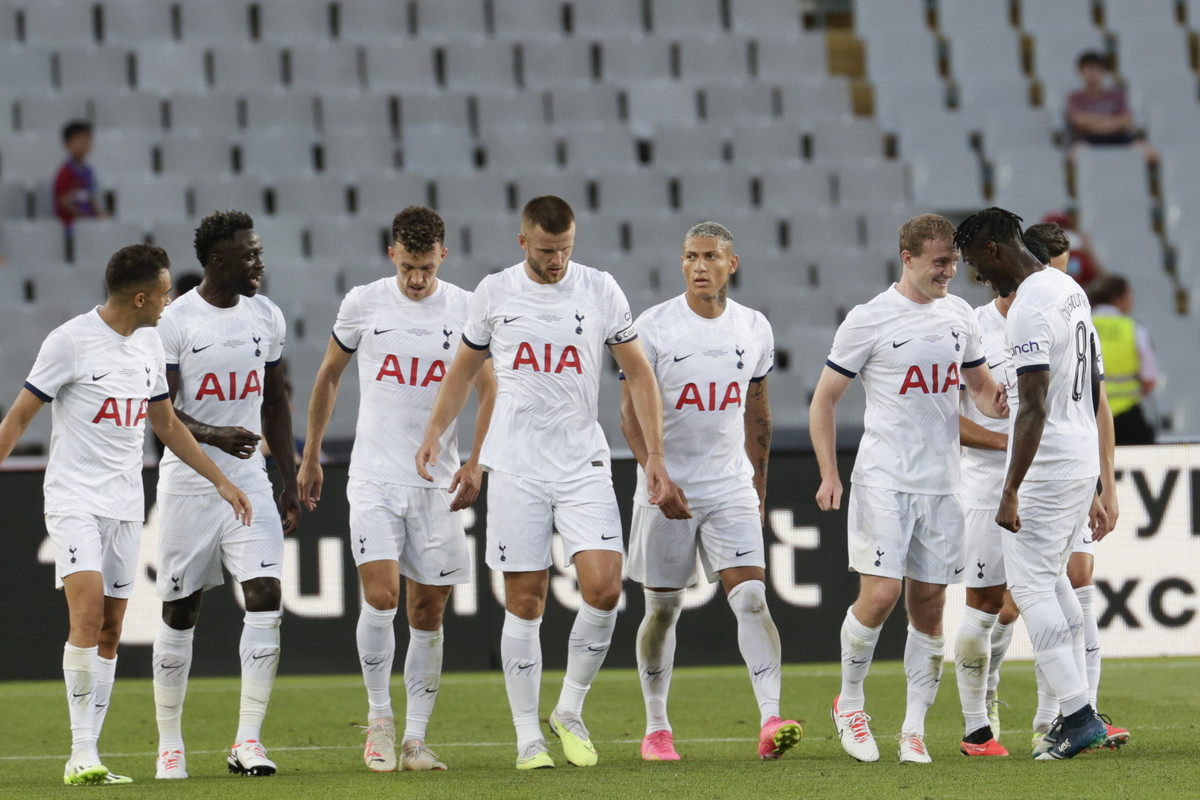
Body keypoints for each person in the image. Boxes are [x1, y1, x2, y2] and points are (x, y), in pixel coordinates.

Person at [415, 195, 674, 770]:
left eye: (566, 249)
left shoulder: (601, 289)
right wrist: (437, 432)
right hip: (516, 466)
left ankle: (570, 709)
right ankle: (527, 734)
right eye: (547, 249)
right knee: (525, 600)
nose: (557, 261)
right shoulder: (494, 292)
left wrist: (654, 453)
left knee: (605, 588)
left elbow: (638, 372)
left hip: (583, 461)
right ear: (523, 241)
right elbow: (461, 373)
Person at [0, 244, 252, 786]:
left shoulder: (149, 345)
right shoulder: (68, 342)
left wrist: (221, 480)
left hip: (124, 505)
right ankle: (81, 752)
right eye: (163, 293)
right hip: (74, 501)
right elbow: (18, 417)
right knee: (87, 614)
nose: (169, 302)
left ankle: (92, 754)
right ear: (140, 296)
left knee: (112, 628)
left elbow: (166, 425)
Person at [297, 206, 496, 773]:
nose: (416, 278)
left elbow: (489, 390)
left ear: (443, 256)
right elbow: (328, 376)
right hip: (374, 478)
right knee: (382, 597)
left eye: (426, 266)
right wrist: (311, 454)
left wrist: (477, 462)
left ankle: (415, 739)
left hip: (436, 484)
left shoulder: (463, 307)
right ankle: (380, 720)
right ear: (392, 255)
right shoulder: (364, 302)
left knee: (428, 611)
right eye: (408, 266)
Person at [809, 213, 1007, 764]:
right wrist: (829, 472)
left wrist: (1002, 403)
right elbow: (823, 400)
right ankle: (849, 704)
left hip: (944, 485)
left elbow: (982, 389)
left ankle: (913, 729)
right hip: (885, 480)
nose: (950, 271)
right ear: (910, 258)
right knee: (881, 594)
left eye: (953, 262)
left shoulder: (961, 317)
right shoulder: (869, 320)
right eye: (940, 261)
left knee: (929, 608)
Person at [621, 222, 802, 763]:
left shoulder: (754, 329)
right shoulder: (652, 329)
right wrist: (655, 474)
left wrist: (758, 489)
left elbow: (759, 414)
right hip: (667, 488)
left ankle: (771, 718)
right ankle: (657, 728)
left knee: (751, 597)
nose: (699, 266)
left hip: (730, 486)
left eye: (710, 257)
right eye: (690, 257)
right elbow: (629, 413)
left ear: (732, 264)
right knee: (663, 611)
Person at [955, 206, 1117, 760]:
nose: (978, 274)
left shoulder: (1026, 309)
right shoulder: (1069, 287)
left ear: (996, 249)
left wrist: (1010, 487)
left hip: (1046, 466)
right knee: (1053, 584)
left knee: (1028, 587)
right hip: (1080, 458)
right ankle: (1081, 707)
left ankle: (1076, 715)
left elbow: (1033, 404)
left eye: (976, 260)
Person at [150, 210, 301, 780]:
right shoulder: (175, 321)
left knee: (264, 592)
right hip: (189, 484)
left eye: (259, 253)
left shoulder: (267, 316)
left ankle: (248, 741)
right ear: (218, 260)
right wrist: (214, 434)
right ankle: (170, 746)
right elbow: (157, 411)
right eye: (249, 254)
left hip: (250, 482)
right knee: (180, 608)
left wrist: (287, 477)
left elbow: (276, 403)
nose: (259, 263)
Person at [952, 283, 1015, 758]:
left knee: (1017, 606)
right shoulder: (971, 328)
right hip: (984, 487)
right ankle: (977, 724)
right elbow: (943, 417)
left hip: (1046, 482)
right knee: (984, 605)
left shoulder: (1054, 320)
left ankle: (1064, 715)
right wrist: (1006, 446)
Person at [1088, 275, 1156, 445]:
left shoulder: (1082, 325)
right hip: (1127, 418)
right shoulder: (1133, 328)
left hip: (1088, 415)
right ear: (1118, 298)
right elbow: (1149, 379)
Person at [1066, 51, 1158, 165]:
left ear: (1103, 72)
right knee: (1074, 156)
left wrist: (1093, 122)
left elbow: (1126, 120)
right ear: (1080, 72)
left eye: (1096, 69)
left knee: (1151, 154)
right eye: (1088, 70)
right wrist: (1112, 120)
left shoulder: (1117, 95)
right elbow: (1079, 120)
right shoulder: (1075, 97)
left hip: (1119, 137)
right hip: (1088, 138)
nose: (1092, 74)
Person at [53, 120, 106, 232]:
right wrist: (83, 217)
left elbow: (91, 196)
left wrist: (98, 215)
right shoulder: (65, 172)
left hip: (88, 224)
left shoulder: (89, 171)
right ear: (67, 144)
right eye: (79, 139)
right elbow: (63, 202)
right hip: (71, 226)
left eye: (87, 139)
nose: (84, 143)